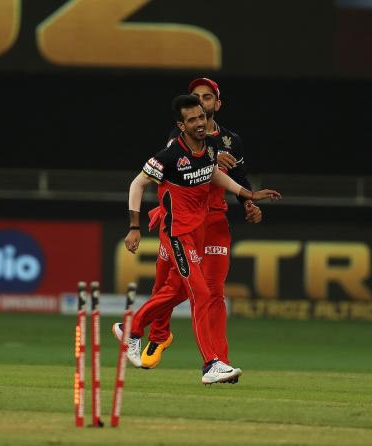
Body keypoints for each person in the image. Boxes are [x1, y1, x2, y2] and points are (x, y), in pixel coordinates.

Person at [114, 95, 280, 384]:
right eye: (192, 119)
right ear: (182, 125)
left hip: (199, 231)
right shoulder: (169, 155)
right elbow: (137, 183)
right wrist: (134, 226)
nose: (199, 123)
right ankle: (211, 365)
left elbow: (213, 174)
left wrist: (248, 194)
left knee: (178, 292)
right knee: (202, 294)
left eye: (201, 117)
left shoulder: (210, 149)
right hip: (179, 235)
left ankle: (131, 329)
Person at [142, 77, 260, 371]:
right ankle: (158, 335)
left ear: (217, 104)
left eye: (207, 98)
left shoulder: (232, 140)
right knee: (168, 286)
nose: (201, 103)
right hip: (178, 221)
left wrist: (248, 202)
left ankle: (219, 360)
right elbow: (173, 166)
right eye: (195, 98)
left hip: (214, 219)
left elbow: (239, 180)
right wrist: (211, 158)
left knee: (211, 292)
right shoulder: (180, 135)